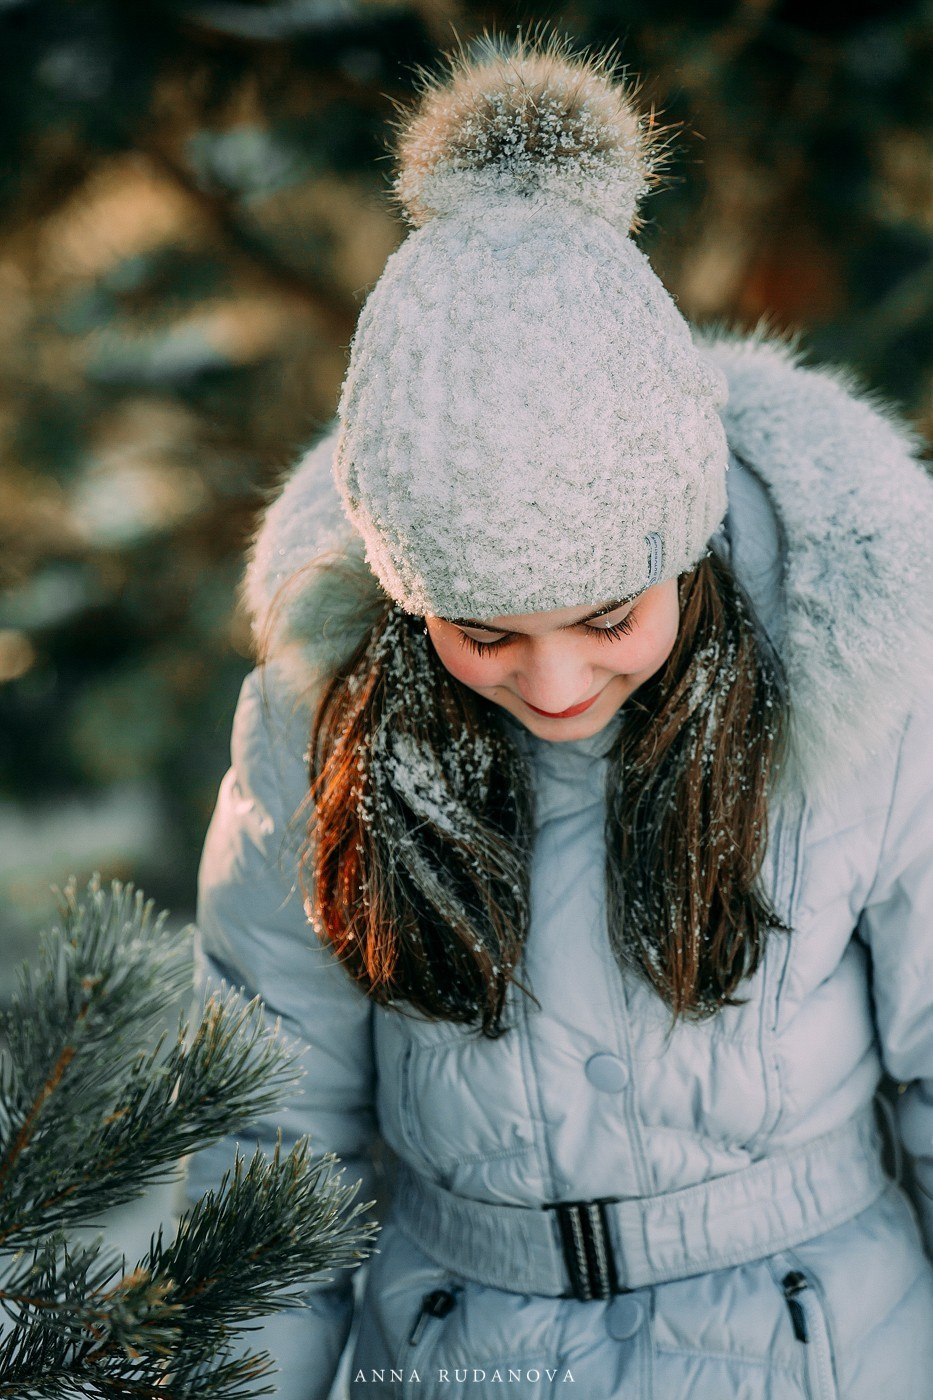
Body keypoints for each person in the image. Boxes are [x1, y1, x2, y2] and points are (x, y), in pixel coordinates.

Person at [187, 33, 933, 1400]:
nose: (551, 685)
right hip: (460, 1355)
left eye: (605, 620)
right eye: (482, 634)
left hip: (821, 1351)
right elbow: (269, 1143)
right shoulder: (318, 728)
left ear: (686, 554)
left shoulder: (866, 696)